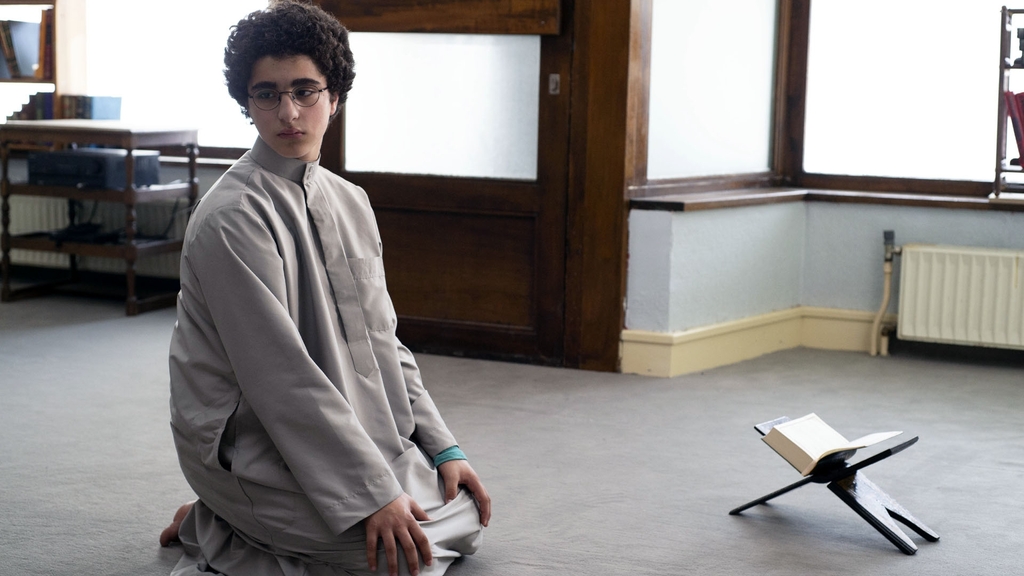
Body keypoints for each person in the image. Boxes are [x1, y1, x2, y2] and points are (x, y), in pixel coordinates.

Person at [161, 2, 490, 575]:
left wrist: (443, 447)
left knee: (463, 515)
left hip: (353, 433)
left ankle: (235, 522)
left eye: (305, 91)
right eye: (267, 94)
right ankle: (223, 513)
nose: (288, 112)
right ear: (247, 102)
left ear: (334, 97)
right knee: (396, 560)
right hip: (251, 443)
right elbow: (279, 375)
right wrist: (373, 496)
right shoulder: (231, 217)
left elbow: (385, 341)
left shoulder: (350, 201)